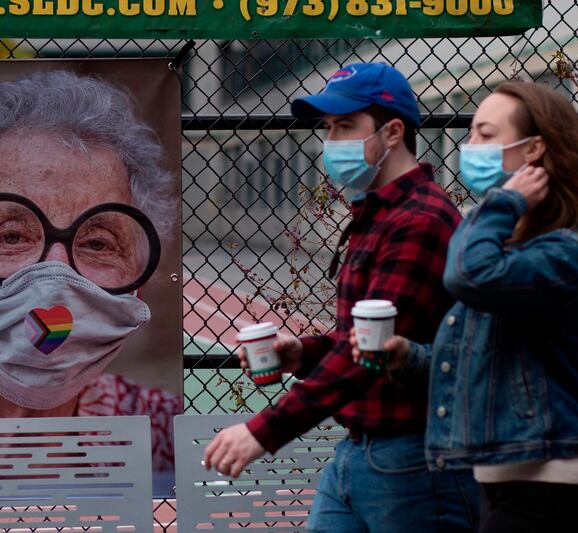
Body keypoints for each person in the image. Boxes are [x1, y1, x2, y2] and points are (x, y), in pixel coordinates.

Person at [204, 62, 480, 531]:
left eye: (346, 126)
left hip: (415, 463)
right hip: (360, 452)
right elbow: (363, 340)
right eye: (329, 128)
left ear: (393, 132)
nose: (331, 141)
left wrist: (263, 432)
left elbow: (369, 357)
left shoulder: (420, 220)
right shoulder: (377, 214)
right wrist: (303, 352)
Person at [350, 81, 578, 532]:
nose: (469, 147)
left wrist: (502, 201)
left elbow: (465, 273)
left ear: (535, 149)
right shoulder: (517, 247)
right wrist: (411, 358)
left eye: (484, 134)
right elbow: (488, 359)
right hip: (506, 477)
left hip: (550, 482)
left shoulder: (569, 252)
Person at [0, 70, 182, 485]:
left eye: (97, 243)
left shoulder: (165, 428)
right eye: (12, 236)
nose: (56, 276)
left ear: (135, 285)